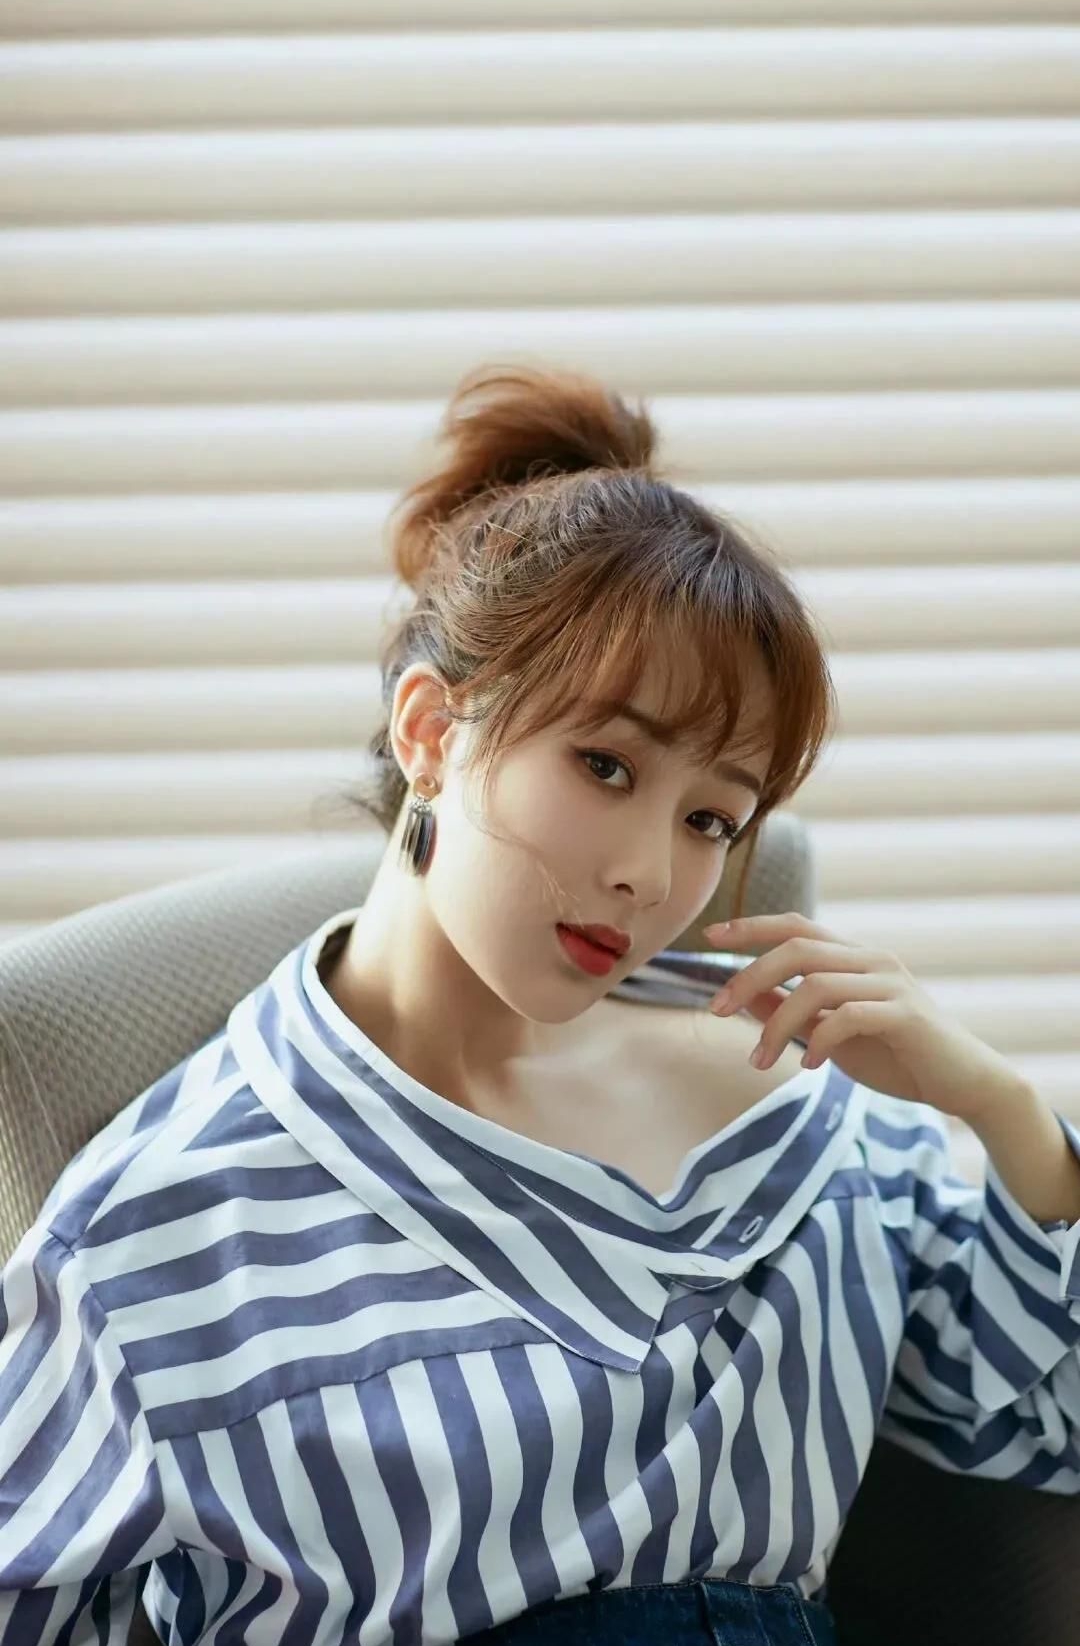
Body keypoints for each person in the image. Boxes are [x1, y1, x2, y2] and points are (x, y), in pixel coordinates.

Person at [1, 363, 1078, 1646]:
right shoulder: (162, 1231)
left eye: (710, 818)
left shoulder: (804, 1104)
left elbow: (1040, 1421)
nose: (650, 873)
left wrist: (999, 1107)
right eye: (605, 764)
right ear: (430, 731)